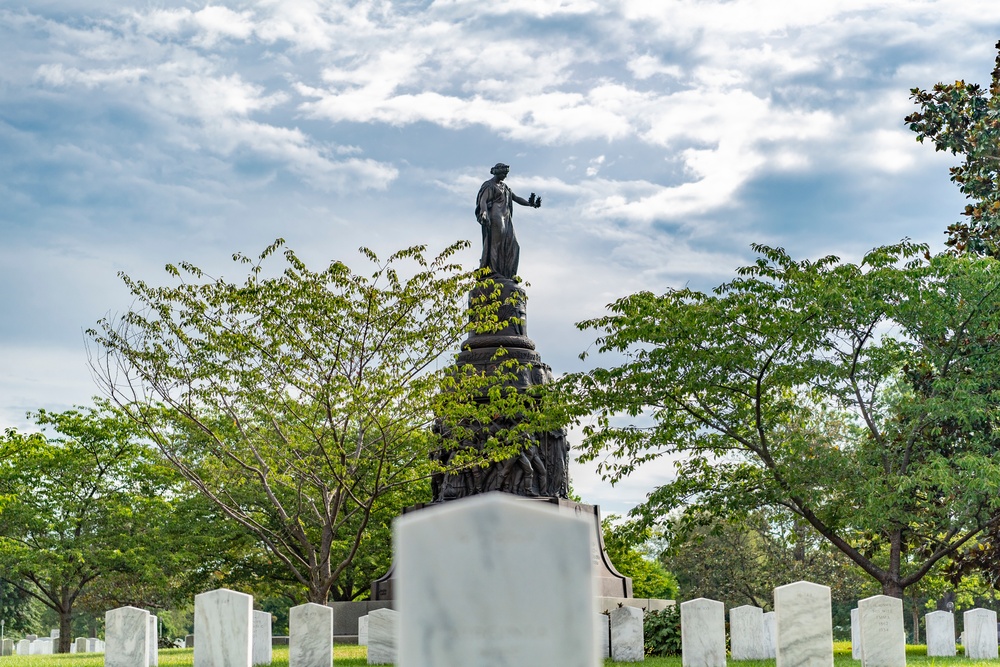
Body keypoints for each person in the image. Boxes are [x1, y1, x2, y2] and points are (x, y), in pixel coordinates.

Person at [475, 163, 541, 279]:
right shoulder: (489, 185)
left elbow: (515, 198)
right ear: (497, 172)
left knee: (514, 245)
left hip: (506, 217)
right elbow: (483, 201)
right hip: (495, 216)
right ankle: (492, 271)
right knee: (496, 243)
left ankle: (509, 274)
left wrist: (530, 204)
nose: (505, 176)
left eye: (506, 174)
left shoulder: (505, 187)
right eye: (504, 173)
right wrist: (484, 213)